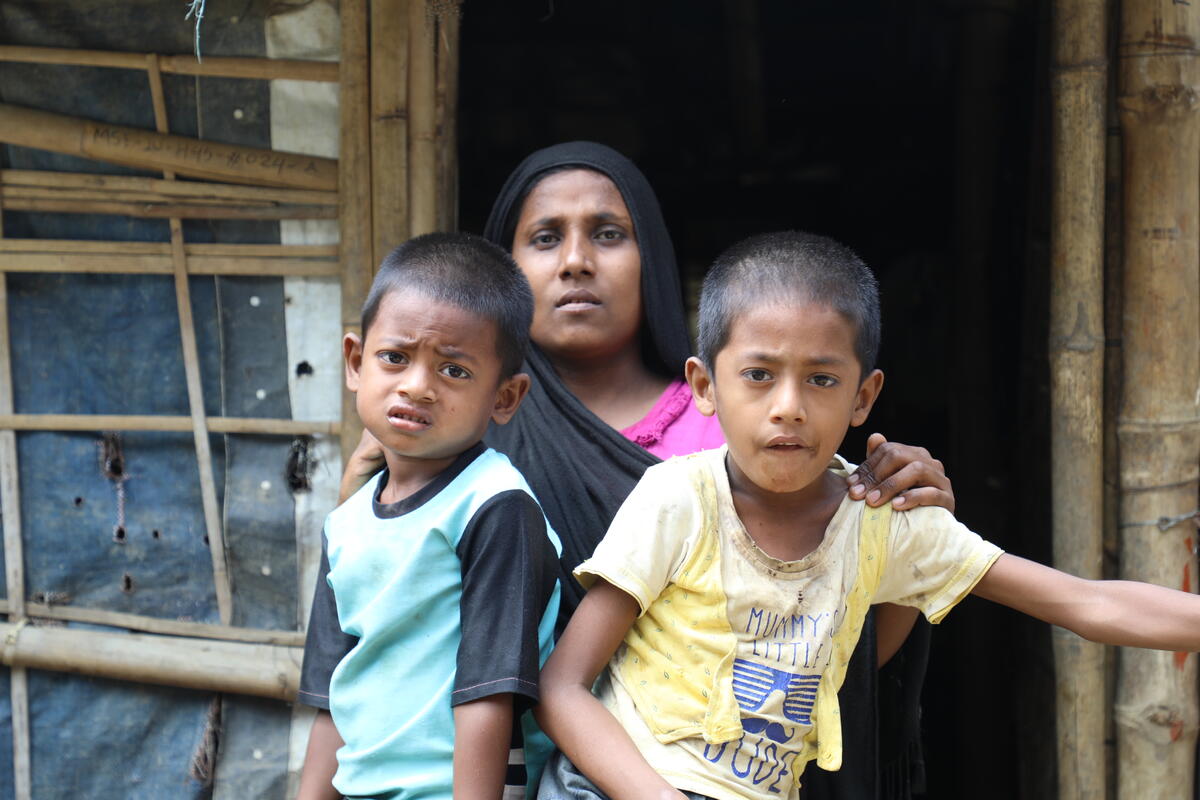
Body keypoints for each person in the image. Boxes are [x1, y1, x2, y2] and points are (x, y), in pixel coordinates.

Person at [339, 142, 953, 797]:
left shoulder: (751, 422)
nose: (576, 261)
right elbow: (388, 635)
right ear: (506, 268)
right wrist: (363, 503)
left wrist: (908, 522)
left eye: (608, 234)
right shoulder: (443, 434)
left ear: (652, 258)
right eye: (545, 238)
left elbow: (825, 650)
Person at [534, 231, 1200, 800]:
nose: (788, 406)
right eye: (759, 375)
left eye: (821, 379)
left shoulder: (885, 521)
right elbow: (564, 687)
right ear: (706, 386)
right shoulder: (679, 500)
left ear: (864, 396)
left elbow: (1090, 604)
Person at [295, 233, 563, 800]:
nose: (417, 386)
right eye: (394, 357)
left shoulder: (494, 505)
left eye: (454, 371)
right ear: (354, 361)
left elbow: (489, 692)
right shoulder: (346, 525)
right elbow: (331, 697)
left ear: (505, 397)